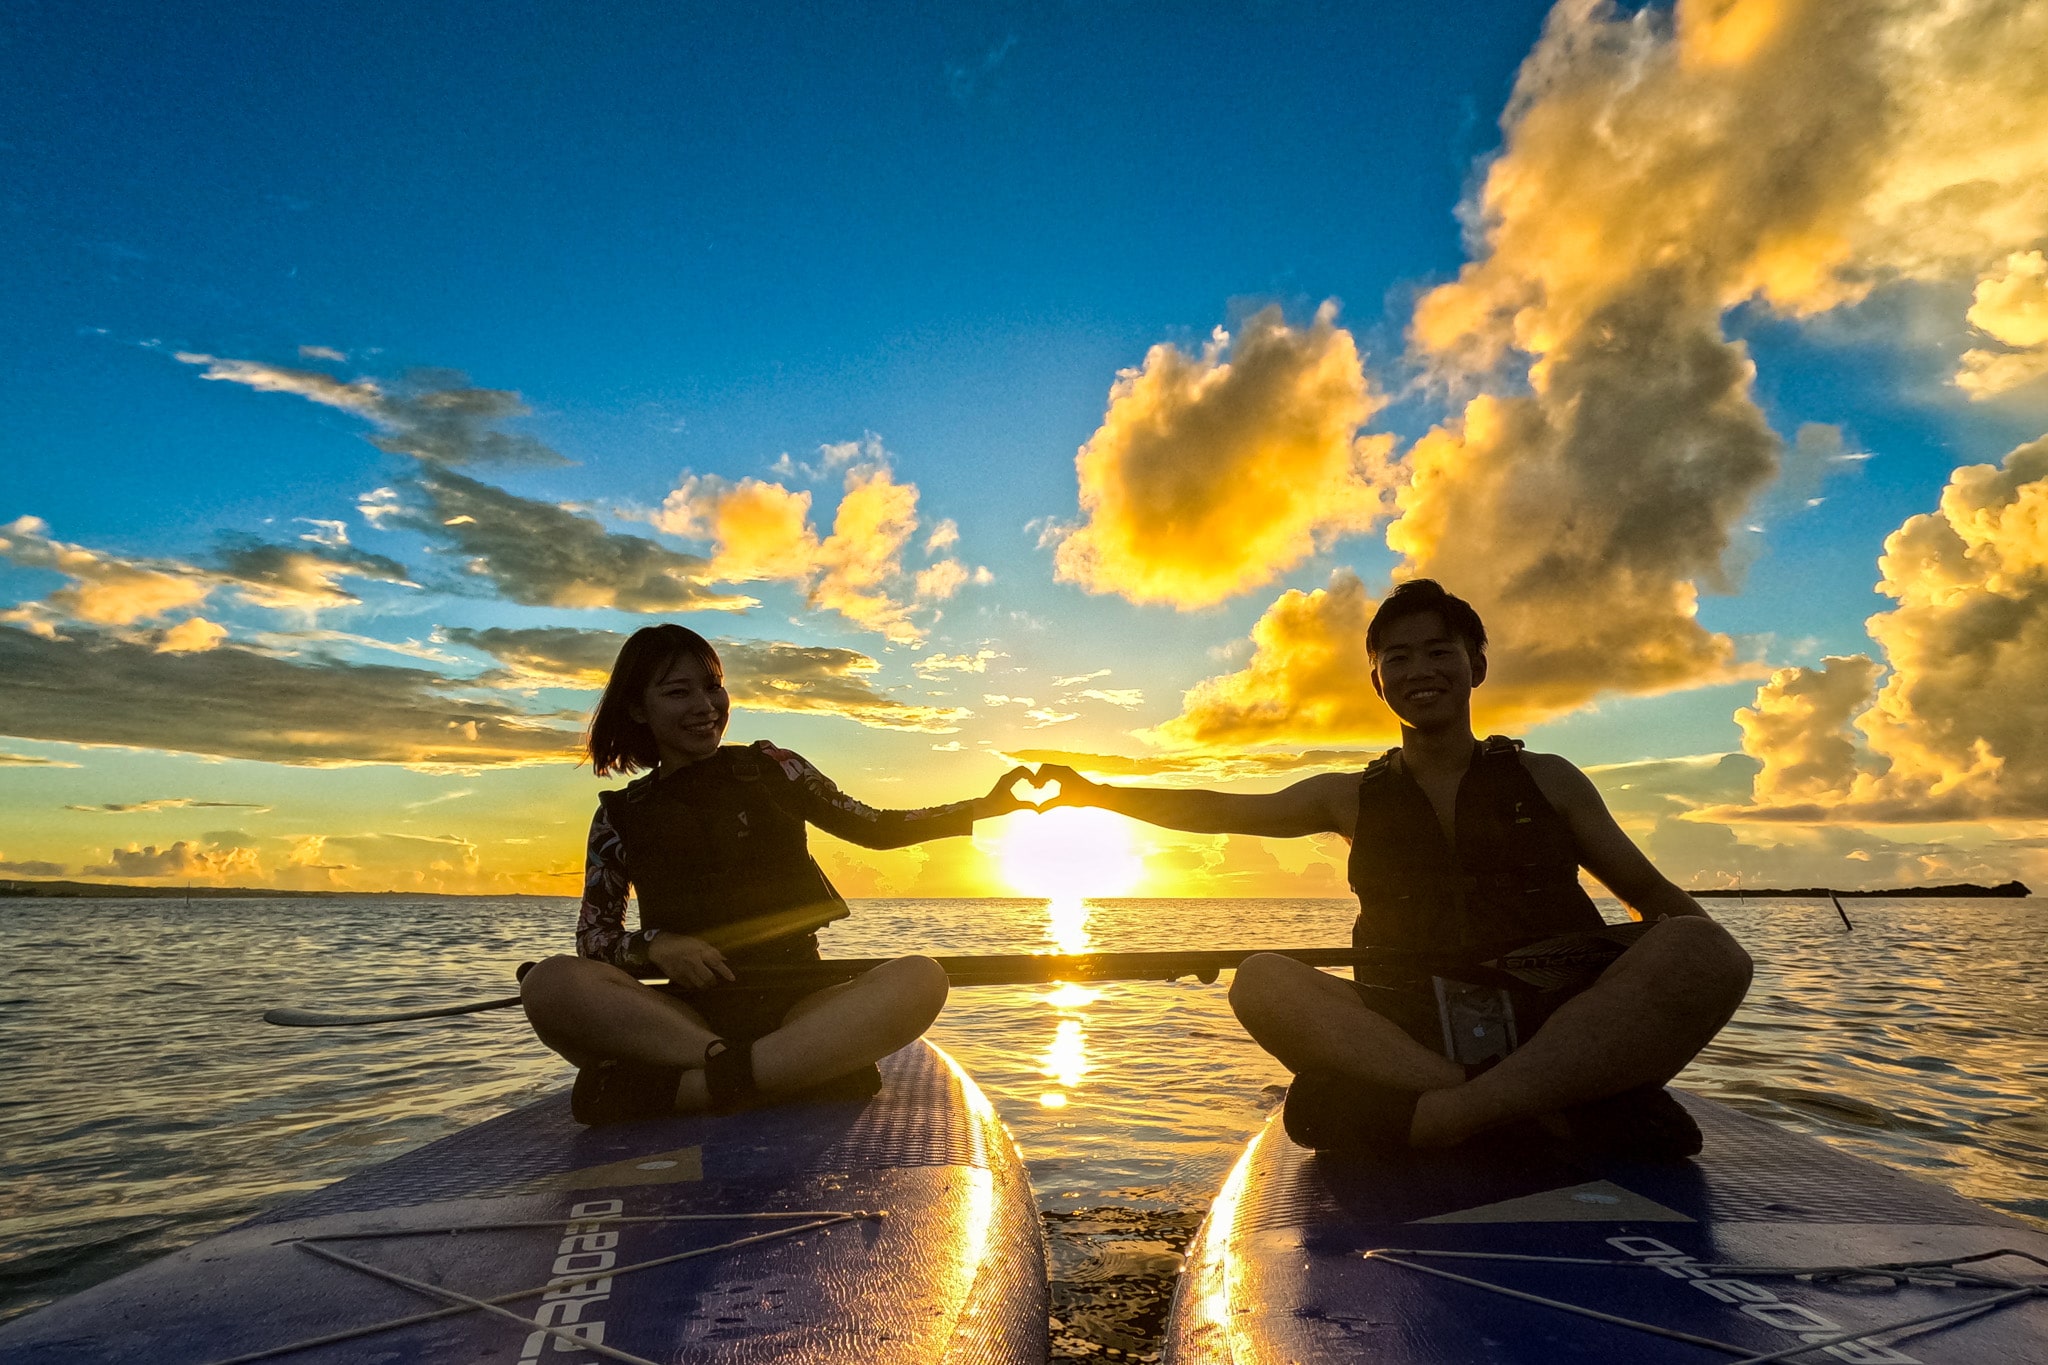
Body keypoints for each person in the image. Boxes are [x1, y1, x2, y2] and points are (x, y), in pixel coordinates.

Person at [1035, 579, 1753, 1157]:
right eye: (1399, 658)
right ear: (1378, 681)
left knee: (1708, 947)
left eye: (1439, 652)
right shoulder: (1347, 796)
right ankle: (1537, 1108)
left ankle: (1444, 1117)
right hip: (1412, 1030)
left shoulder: (1550, 779)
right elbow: (1218, 809)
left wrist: (1683, 985)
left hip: (1557, 1019)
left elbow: (1649, 894)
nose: (1420, 671)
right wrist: (1095, 793)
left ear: (1475, 667)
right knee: (1260, 979)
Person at [521, 623, 1037, 1125]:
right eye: (679, 692)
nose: (705, 705)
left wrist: (985, 806)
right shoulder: (617, 815)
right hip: (685, 1024)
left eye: (713, 687)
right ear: (638, 708)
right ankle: (793, 1072)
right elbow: (594, 938)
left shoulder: (776, 767)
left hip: (801, 1005)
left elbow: (873, 827)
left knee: (922, 977)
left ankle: (686, 1089)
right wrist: (655, 945)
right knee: (547, 983)